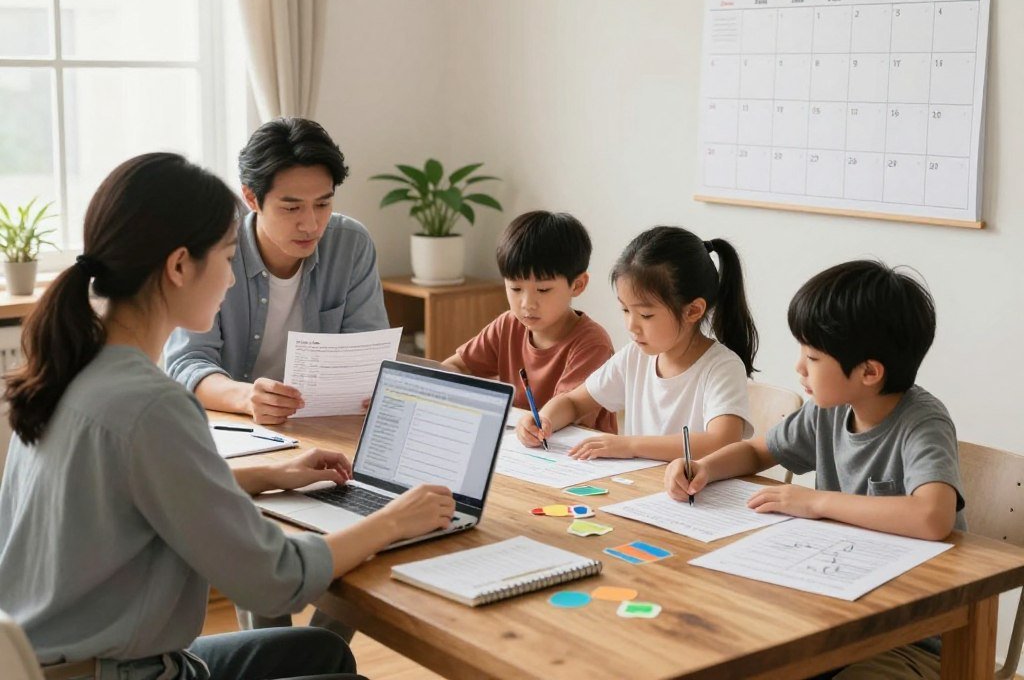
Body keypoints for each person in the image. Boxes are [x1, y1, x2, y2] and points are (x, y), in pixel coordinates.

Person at [0, 154, 454, 680]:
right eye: (227, 256)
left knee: (320, 653)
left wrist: (268, 474)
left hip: (52, 662)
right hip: (123, 673)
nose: (232, 280)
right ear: (178, 267)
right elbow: (275, 579)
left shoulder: (70, 369)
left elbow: (125, 492)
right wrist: (394, 520)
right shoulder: (153, 404)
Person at [665, 260, 963, 680]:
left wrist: (816, 502)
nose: (799, 368)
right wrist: (705, 467)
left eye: (813, 356)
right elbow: (755, 452)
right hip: (834, 614)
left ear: (869, 372)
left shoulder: (922, 424)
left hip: (915, 636)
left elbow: (933, 517)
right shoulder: (829, 410)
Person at [165, 117, 388, 427]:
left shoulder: (351, 244)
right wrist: (246, 398)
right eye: (291, 207)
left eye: (322, 204)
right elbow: (187, 363)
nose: (311, 224)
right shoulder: (212, 248)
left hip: (324, 424)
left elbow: (368, 355)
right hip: (234, 424)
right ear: (251, 198)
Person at [516, 225, 757, 461]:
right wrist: (544, 419)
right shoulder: (635, 356)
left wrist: (630, 445)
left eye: (646, 315)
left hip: (697, 495)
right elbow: (573, 402)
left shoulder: (722, 367)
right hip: (639, 488)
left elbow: (721, 441)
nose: (631, 325)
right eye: (625, 310)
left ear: (693, 310)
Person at [442, 211, 615, 432]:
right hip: (520, 447)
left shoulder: (592, 343)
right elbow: (456, 366)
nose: (527, 303)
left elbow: (570, 411)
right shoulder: (508, 324)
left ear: (578, 285)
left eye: (543, 290)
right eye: (515, 288)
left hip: (572, 455)